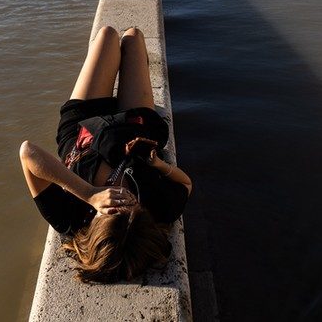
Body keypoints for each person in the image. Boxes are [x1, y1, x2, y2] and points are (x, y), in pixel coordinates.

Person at [19, 26, 192, 283]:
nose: (122, 203)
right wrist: (159, 165)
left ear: (95, 226)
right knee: (133, 37)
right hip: (136, 122)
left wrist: (89, 194)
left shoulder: (71, 217)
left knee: (107, 35)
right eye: (130, 210)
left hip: (83, 125)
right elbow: (186, 184)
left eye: (113, 212)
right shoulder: (160, 207)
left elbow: (28, 152)